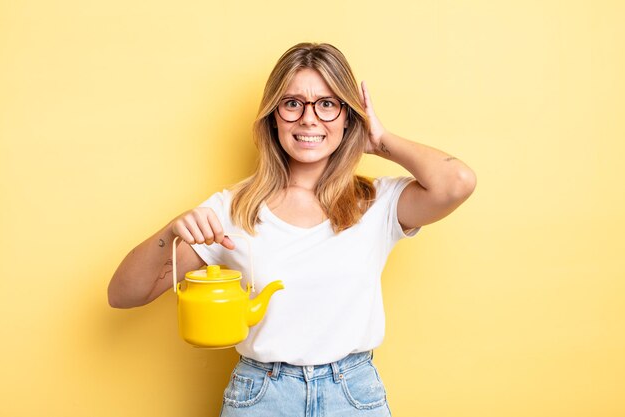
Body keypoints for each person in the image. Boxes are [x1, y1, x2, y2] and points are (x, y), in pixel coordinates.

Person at [108, 42, 476, 416]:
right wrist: (171, 233)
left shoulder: (376, 203)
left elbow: (457, 182)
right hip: (261, 396)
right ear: (274, 116)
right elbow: (123, 294)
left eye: (327, 104)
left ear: (349, 116)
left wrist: (381, 142)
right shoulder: (232, 209)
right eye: (293, 103)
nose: (309, 119)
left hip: (353, 395)